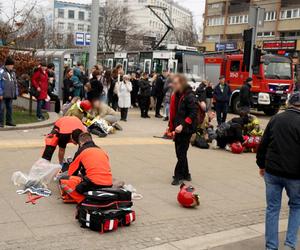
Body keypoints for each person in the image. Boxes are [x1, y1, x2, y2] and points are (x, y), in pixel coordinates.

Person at [256, 92, 300, 250]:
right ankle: (289, 244)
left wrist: (261, 165)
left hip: (272, 171)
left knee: (272, 208)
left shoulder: (276, 118)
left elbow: (263, 144)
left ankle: (271, 247)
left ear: (289, 103)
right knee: (296, 206)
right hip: (295, 175)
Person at [59, 132, 113, 203]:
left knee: (63, 180)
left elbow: (71, 173)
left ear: (81, 143)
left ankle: (83, 200)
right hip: (109, 183)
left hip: (94, 183)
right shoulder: (101, 151)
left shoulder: (81, 151)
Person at [169, 74, 198, 185]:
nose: (173, 85)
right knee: (180, 152)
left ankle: (178, 176)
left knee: (181, 153)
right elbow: (175, 112)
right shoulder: (177, 95)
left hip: (186, 129)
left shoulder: (189, 96)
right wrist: (171, 126)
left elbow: (193, 113)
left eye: (175, 83)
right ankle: (186, 174)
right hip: (178, 128)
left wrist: (183, 125)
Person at [0, 57, 18, 127]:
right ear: (7, 65)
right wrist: (0, 93)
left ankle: (9, 121)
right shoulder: (1, 71)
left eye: (13, 65)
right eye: (11, 65)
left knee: (10, 108)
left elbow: (15, 83)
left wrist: (15, 93)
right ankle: (1, 122)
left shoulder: (13, 73)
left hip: (10, 94)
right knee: (1, 108)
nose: (12, 66)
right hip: (3, 95)